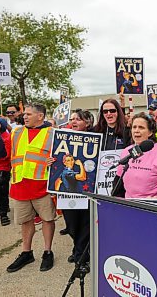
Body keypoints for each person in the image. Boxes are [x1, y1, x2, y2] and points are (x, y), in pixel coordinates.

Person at [0, 103, 55, 273]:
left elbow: (64, 156)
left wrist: (55, 161)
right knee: (25, 221)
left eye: (29, 114)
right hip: (20, 185)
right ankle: (26, 252)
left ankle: (47, 251)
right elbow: (4, 152)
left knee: (47, 219)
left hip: (41, 185)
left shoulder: (52, 133)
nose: (25, 117)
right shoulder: (16, 132)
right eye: (25, 114)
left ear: (40, 116)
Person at [59, 110, 94, 265]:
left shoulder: (95, 139)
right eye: (72, 119)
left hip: (86, 192)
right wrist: (51, 162)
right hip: (68, 195)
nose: (74, 122)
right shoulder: (62, 140)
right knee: (72, 225)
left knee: (86, 224)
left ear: (87, 123)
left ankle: (81, 255)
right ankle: (79, 248)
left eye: (78, 119)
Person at [114, 112, 157, 198]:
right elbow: (119, 181)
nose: (136, 130)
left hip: (152, 204)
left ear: (150, 132)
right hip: (128, 204)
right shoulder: (126, 151)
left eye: (141, 127)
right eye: (134, 127)